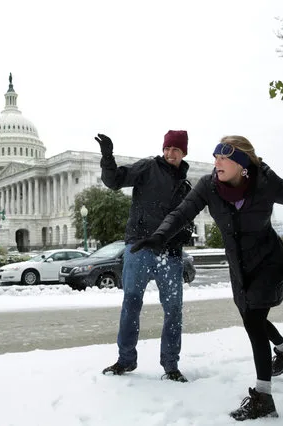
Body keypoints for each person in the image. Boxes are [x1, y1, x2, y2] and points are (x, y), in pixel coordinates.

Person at [130, 135, 283, 420]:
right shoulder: (208, 186)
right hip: (239, 266)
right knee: (252, 316)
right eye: (215, 157)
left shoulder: (264, 181)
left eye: (224, 158)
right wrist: (160, 235)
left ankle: (263, 397)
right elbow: (181, 213)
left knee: (253, 320)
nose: (217, 163)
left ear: (242, 163)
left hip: (269, 261)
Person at [97, 130, 195, 382]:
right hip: (139, 249)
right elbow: (114, 181)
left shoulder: (186, 186)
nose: (170, 153)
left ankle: (171, 365)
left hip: (170, 254)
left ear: (184, 152)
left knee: (174, 311)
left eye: (176, 149)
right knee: (131, 305)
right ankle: (126, 359)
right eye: (167, 148)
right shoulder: (148, 167)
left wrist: (184, 236)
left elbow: (185, 219)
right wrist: (107, 156)